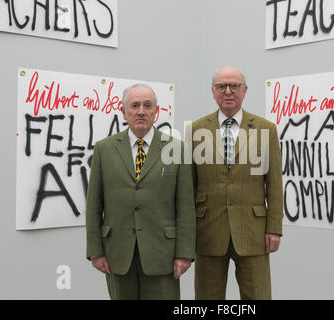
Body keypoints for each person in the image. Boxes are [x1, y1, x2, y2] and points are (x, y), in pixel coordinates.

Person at [86, 83, 195, 300]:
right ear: (123, 111)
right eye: (135, 105)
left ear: (157, 111)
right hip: (118, 253)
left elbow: (185, 207)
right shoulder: (104, 149)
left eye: (148, 105)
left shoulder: (177, 149)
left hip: (162, 255)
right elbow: (94, 205)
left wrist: (184, 255)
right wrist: (95, 251)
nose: (141, 111)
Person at [190, 66, 283, 300]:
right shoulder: (195, 130)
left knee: (258, 297)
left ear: (245, 90)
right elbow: (188, 187)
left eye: (234, 86)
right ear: (213, 91)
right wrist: (186, 231)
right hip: (207, 230)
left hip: (253, 231)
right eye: (222, 86)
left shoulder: (266, 129)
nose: (228, 91)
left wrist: (274, 228)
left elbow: (274, 184)